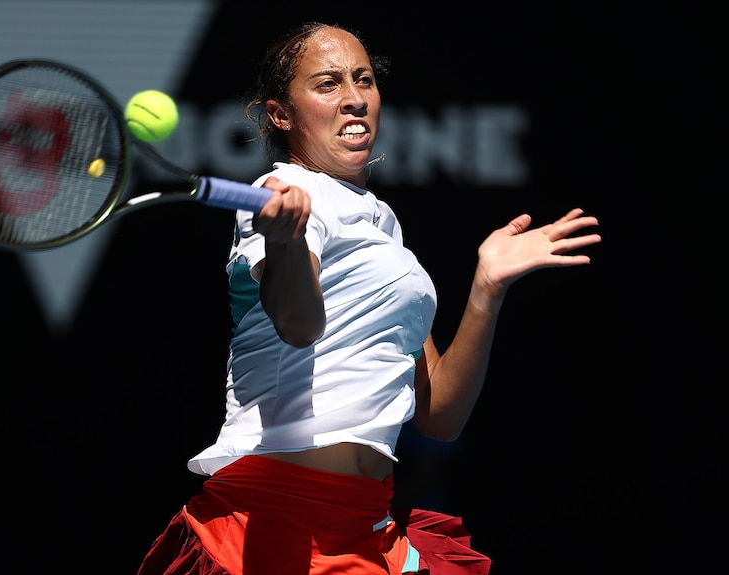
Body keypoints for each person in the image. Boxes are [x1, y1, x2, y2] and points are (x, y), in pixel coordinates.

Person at [136, 21, 601, 575]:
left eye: (364, 80)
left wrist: (486, 290)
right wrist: (285, 243)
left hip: (365, 524)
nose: (355, 99)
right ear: (280, 114)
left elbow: (439, 417)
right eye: (328, 84)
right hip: (275, 523)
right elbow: (299, 325)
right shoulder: (285, 193)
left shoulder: (384, 230)